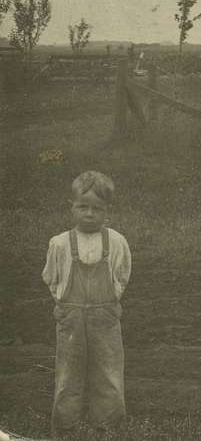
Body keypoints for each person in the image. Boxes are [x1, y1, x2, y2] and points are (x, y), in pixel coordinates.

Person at [42, 171, 131, 435]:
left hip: (105, 317)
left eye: (97, 209)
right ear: (72, 206)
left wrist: (110, 300)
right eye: (83, 207)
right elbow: (51, 277)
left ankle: (108, 426)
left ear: (107, 211)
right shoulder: (59, 244)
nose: (89, 214)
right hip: (71, 317)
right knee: (69, 373)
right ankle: (66, 427)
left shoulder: (116, 242)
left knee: (108, 371)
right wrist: (64, 303)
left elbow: (122, 275)